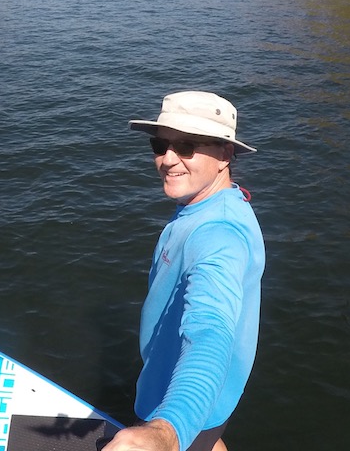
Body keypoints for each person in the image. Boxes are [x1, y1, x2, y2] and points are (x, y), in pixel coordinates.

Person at [104, 91, 265, 451]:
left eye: (187, 147)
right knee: (208, 442)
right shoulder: (223, 204)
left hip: (180, 401)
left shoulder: (218, 235)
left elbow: (210, 331)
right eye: (160, 145)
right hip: (214, 400)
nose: (168, 159)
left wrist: (166, 431)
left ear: (225, 155)